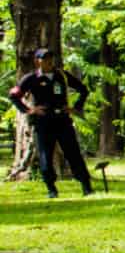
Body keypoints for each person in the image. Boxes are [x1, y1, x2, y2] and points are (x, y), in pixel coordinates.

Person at [9, 47, 93, 198]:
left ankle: (86, 186)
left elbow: (83, 89)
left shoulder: (62, 76)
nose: (48, 61)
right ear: (37, 61)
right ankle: (51, 189)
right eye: (44, 58)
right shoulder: (31, 78)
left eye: (50, 58)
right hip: (43, 122)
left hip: (62, 120)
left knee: (73, 154)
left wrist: (76, 108)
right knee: (45, 157)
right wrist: (29, 110)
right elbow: (14, 95)